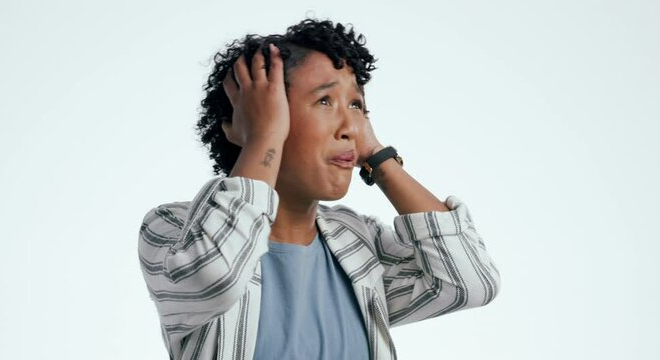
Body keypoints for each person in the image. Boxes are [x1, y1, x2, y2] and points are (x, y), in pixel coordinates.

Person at [137, 17, 501, 360]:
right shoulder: (171, 228)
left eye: (357, 105)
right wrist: (264, 137)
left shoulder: (358, 242)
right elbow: (214, 275)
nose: (350, 127)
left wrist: (378, 156)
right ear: (242, 122)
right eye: (324, 100)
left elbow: (469, 282)